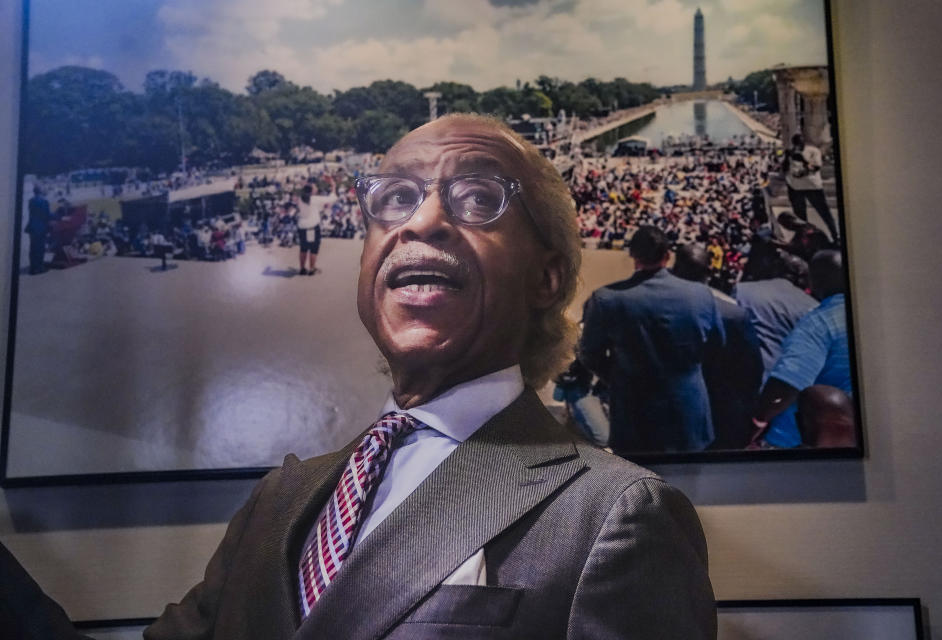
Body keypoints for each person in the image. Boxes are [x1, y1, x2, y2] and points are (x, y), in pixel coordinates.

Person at [1, 115, 715, 639]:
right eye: (396, 199)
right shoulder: (281, 498)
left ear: (547, 276)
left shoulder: (616, 514)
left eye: (475, 199)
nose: (423, 221)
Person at [580, 225, 724, 453]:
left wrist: (618, 379)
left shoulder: (606, 299)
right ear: (668, 256)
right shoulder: (700, 294)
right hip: (688, 413)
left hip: (633, 414)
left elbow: (589, 354)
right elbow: (716, 346)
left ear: (633, 256)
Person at [750, 250, 852, 448]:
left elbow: (787, 384)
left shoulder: (819, 323)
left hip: (796, 439)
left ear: (814, 280)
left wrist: (758, 422)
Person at [673, 243, 763, 450]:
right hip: (722, 409)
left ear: (675, 271)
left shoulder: (653, 310)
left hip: (674, 410)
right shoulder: (735, 313)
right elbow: (753, 370)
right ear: (709, 273)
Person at [783, 133, 839, 243]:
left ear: (804, 142)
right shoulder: (791, 152)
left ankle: (835, 235)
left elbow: (816, 167)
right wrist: (786, 157)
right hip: (795, 187)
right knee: (800, 216)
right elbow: (784, 169)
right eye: (795, 143)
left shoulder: (813, 151)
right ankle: (803, 238)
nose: (797, 146)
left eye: (799, 143)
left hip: (813, 187)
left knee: (824, 212)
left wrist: (803, 160)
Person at [296, 183, 322, 275]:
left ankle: (302, 268)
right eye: (315, 187)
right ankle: (312, 269)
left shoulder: (300, 199)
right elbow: (332, 198)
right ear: (311, 190)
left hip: (302, 226)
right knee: (313, 248)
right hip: (312, 227)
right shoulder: (314, 199)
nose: (316, 188)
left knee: (304, 248)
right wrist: (333, 185)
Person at [24, 186, 51, 274]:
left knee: (33, 248)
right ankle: (39, 268)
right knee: (40, 248)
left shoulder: (31, 201)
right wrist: (59, 217)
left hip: (32, 226)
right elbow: (47, 215)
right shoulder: (44, 202)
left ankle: (33, 267)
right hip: (40, 228)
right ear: (40, 191)